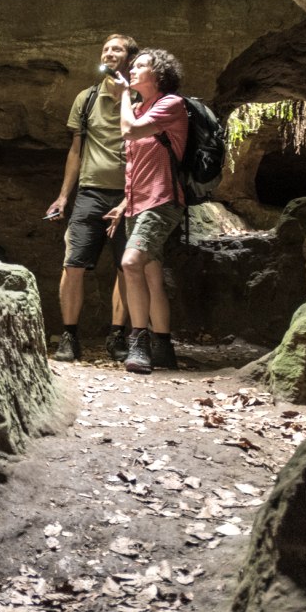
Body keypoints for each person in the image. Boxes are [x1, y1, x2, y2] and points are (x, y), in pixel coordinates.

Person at [44, 34, 133, 362]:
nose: (110, 53)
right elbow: (75, 150)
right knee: (73, 264)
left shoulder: (140, 97)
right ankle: (69, 337)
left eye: (117, 49)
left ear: (129, 58)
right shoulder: (87, 98)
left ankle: (117, 335)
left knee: (127, 267)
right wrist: (63, 197)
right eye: (106, 49)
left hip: (129, 196)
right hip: (90, 193)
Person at [109, 48, 188, 374]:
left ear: (159, 76)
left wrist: (124, 95)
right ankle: (164, 347)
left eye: (141, 65)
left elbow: (130, 131)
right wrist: (124, 205)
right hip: (138, 204)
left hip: (161, 202)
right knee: (152, 276)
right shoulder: (141, 109)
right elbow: (136, 166)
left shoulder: (171, 105)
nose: (133, 69)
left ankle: (138, 343)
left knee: (130, 263)